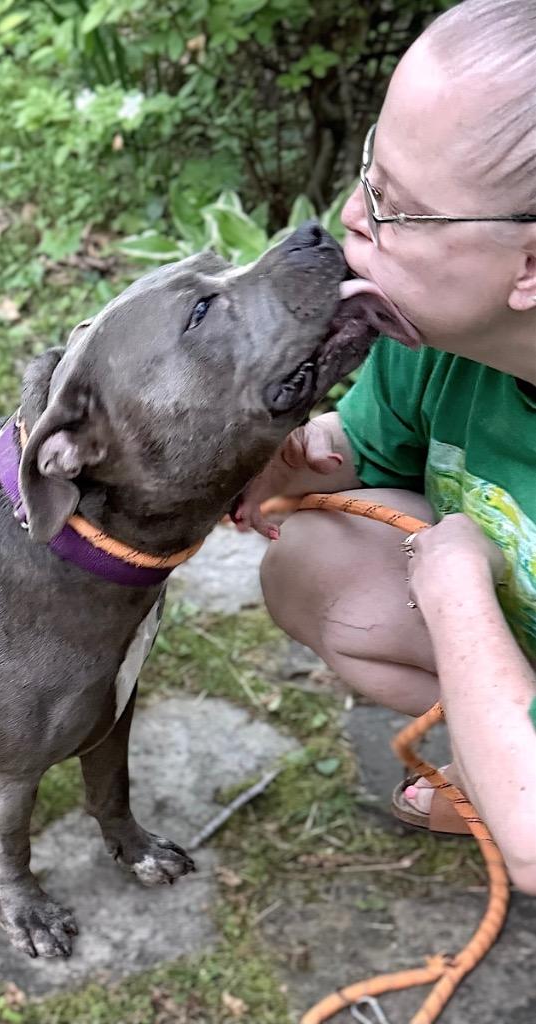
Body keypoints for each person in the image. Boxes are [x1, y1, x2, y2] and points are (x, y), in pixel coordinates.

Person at [234, 0, 536, 894]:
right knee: (310, 557)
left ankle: (508, 783)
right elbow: (341, 460)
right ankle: (502, 761)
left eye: (395, 211)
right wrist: (266, 447)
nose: (346, 217)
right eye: (369, 172)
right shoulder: (444, 345)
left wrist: (455, 598)